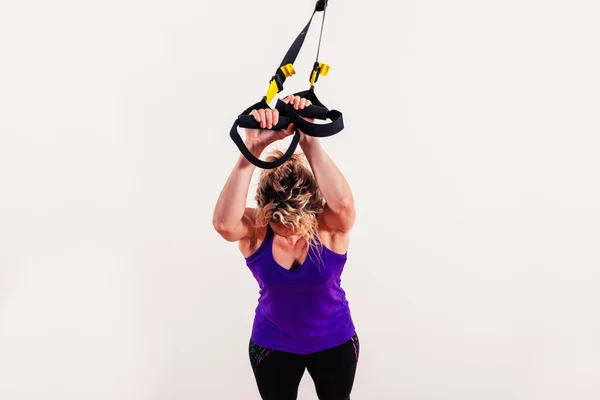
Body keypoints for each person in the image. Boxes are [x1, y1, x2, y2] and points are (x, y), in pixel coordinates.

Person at [213, 95, 359, 400]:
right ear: (265, 211)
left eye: (299, 224)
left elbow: (343, 203)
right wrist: (251, 150)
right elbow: (224, 225)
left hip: (334, 341)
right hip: (272, 346)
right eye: (282, 226)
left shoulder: (329, 225)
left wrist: (308, 138)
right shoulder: (256, 228)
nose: (292, 234)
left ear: (314, 208)